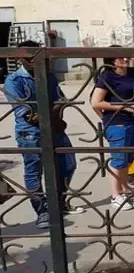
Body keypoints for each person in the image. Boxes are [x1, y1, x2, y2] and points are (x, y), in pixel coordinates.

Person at [4, 40, 83, 229]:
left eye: (35, 56)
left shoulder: (48, 76)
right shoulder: (14, 81)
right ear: (19, 58)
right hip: (30, 134)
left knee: (68, 164)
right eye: (27, 57)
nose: (32, 60)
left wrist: (49, 113)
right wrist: (51, 110)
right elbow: (27, 114)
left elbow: (61, 100)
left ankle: (57, 202)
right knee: (34, 171)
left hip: (55, 127)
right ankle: (42, 211)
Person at [91, 51, 134, 211]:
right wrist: (124, 107)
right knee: (118, 159)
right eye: (120, 57)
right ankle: (115, 195)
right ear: (112, 60)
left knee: (128, 158)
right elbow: (96, 103)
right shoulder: (108, 77)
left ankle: (124, 188)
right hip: (117, 122)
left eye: (126, 56)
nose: (125, 59)